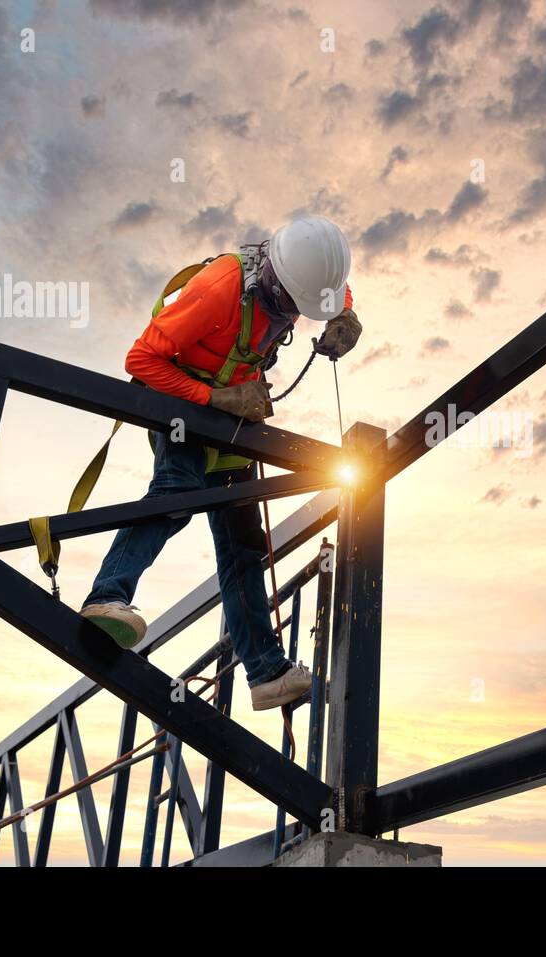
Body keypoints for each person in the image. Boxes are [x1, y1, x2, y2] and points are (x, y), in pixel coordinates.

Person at [78, 214, 362, 711]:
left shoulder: (304, 272)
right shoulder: (219, 290)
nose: (299, 315)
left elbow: (332, 288)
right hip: (185, 404)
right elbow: (140, 360)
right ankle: (107, 596)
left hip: (236, 411)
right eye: (299, 305)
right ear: (275, 280)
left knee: (243, 548)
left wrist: (344, 315)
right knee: (178, 491)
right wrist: (213, 399)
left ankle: (266, 671)